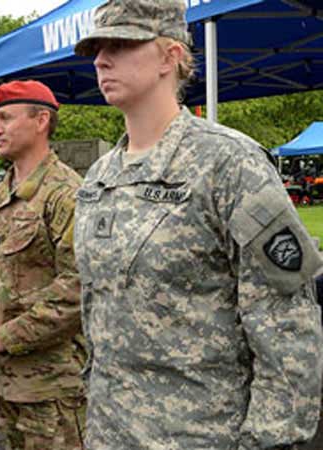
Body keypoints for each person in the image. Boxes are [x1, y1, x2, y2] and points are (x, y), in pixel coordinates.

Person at [72, 1, 323, 449]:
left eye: (121, 44)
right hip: (109, 430)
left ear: (171, 56)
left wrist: (269, 440)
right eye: (96, 48)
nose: (101, 60)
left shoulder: (229, 164)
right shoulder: (100, 177)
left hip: (200, 433)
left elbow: (287, 327)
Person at [0, 80, 87, 450]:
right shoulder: (1, 191)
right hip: (6, 379)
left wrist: (5, 336)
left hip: (52, 385)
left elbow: (78, 289)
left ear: (41, 120)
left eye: (5, 118)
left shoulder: (66, 193)